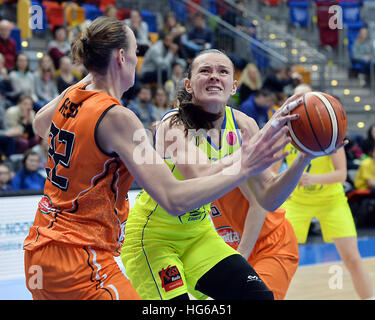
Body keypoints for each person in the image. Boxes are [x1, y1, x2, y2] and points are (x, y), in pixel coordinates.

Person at [23, 17, 292, 300]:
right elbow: (174, 198)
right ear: (122, 57)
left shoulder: (73, 99)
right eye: (136, 51)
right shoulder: (121, 119)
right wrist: (246, 163)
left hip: (43, 245)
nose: (139, 61)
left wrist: (92, 73)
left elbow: (41, 125)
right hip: (80, 253)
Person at [121, 49, 326, 301]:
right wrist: (248, 155)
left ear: (234, 86)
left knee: (258, 297)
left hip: (200, 234)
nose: (214, 76)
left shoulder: (244, 125)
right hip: (153, 238)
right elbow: (200, 174)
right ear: (189, 85)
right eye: (205, 71)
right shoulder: (172, 124)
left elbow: (269, 198)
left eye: (223, 71)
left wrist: (304, 156)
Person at [281, 88, 375, 300]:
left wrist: (310, 179)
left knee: (352, 258)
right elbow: (270, 173)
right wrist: (282, 186)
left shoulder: (329, 130)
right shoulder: (284, 133)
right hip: (297, 202)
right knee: (281, 260)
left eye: (304, 97)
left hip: (332, 201)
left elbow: (341, 174)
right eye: (296, 98)